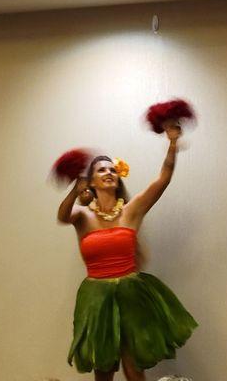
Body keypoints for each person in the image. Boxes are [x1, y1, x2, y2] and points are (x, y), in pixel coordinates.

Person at [57, 123, 197, 381]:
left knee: (134, 370)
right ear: (92, 180)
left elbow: (163, 179)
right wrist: (74, 192)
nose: (109, 172)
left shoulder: (131, 211)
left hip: (131, 296)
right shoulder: (83, 215)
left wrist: (173, 143)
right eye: (102, 170)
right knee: (104, 369)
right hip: (96, 299)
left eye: (112, 169)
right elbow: (63, 216)